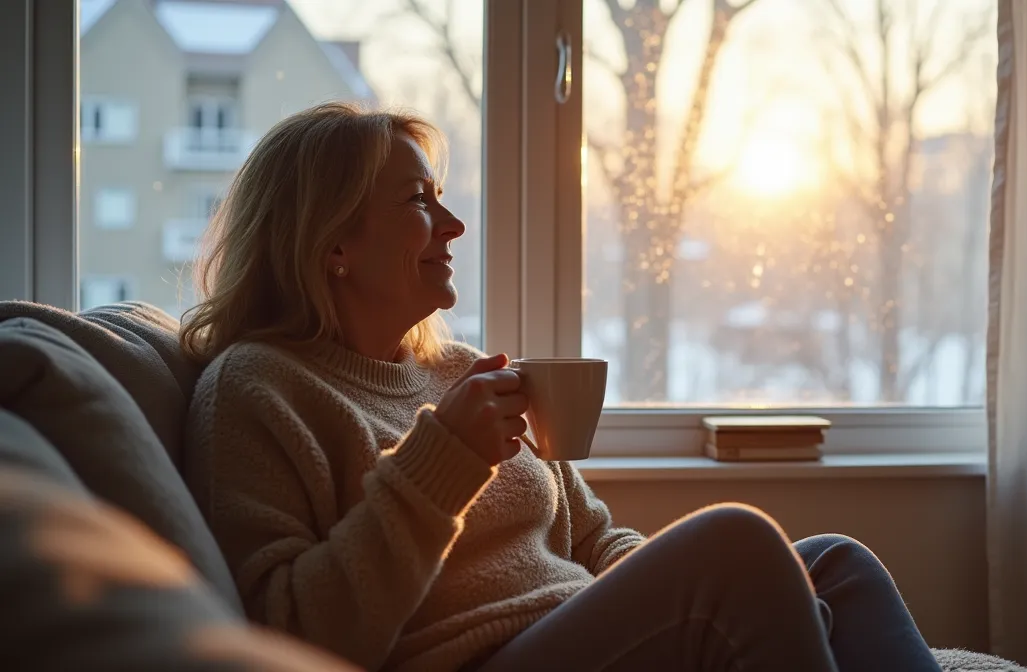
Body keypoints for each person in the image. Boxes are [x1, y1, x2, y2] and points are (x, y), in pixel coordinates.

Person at [180, 102, 942, 672]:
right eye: (418, 201)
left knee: (832, 564)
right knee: (736, 541)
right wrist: (439, 465)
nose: (453, 224)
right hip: (478, 660)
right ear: (333, 243)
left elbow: (594, 539)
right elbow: (289, 636)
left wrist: (706, 602)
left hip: (581, 636)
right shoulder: (256, 388)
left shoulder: (462, 372)